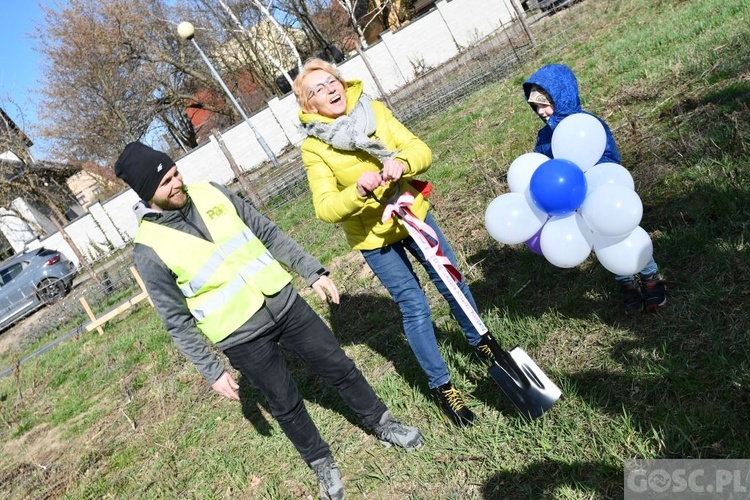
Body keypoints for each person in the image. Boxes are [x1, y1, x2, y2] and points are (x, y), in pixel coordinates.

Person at [114, 142, 423, 500]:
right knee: (285, 402)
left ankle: (382, 424)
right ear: (147, 193)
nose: (177, 182)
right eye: (166, 182)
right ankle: (321, 462)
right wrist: (211, 371)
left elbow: (267, 233)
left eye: (175, 172)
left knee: (339, 365)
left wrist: (311, 270)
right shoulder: (148, 248)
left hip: (284, 302)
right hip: (240, 335)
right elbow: (175, 320)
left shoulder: (212, 192)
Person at [293, 58, 493, 428]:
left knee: (452, 281)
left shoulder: (375, 110)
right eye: (317, 90)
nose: (330, 90)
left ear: (341, 82)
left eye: (331, 81)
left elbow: (420, 149)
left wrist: (402, 161)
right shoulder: (314, 148)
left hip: (412, 212)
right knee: (415, 306)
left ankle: (481, 341)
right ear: (310, 106)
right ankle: (443, 387)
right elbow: (325, 208)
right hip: (374, 236)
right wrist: (357, 190)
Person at [522, 63, 667, 313]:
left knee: (621, 233)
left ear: (561, 96)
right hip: (571, 201)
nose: (541, 111)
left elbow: (609, 156)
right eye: (536, 107)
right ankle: (626, 282)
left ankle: (651, 277)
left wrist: (598, 179)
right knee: (602, 242)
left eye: (545, 104)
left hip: (601, 192)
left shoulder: (587, 124)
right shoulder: (544, 137)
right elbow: (544, 167)